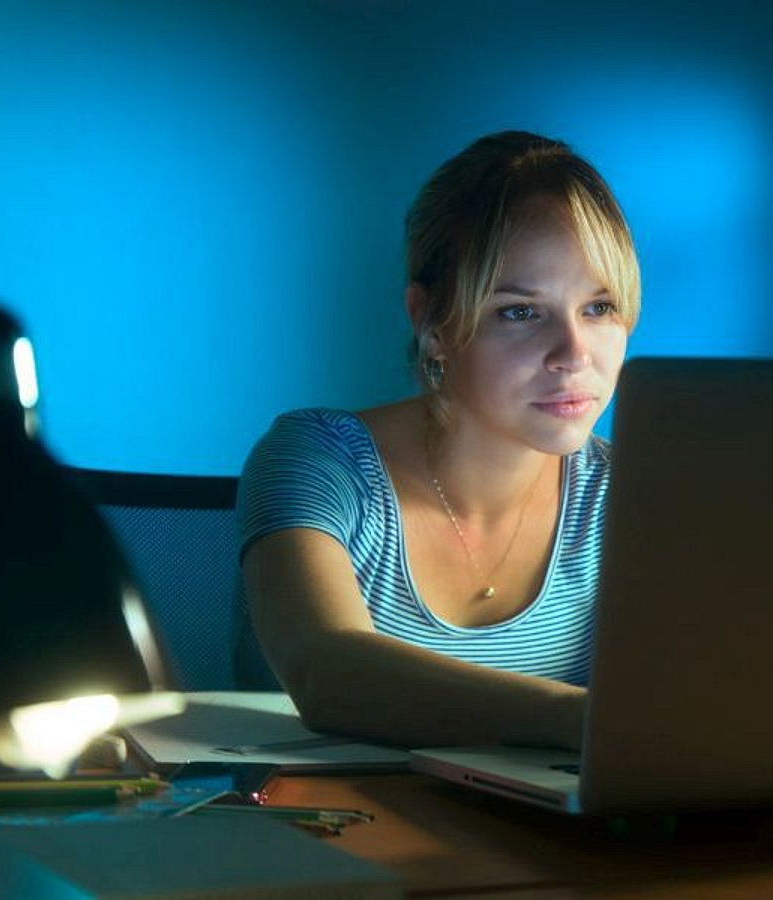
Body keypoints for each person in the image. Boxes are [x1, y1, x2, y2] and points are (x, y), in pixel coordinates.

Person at [234, 131, 640, 749]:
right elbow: (327, 673)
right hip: (320, 834)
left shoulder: (630, 494)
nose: (574, 354)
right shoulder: (316, 461)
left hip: (547, 841)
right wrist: (587, 719)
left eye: (599, 307)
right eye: (520, 311)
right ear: (431, 322)